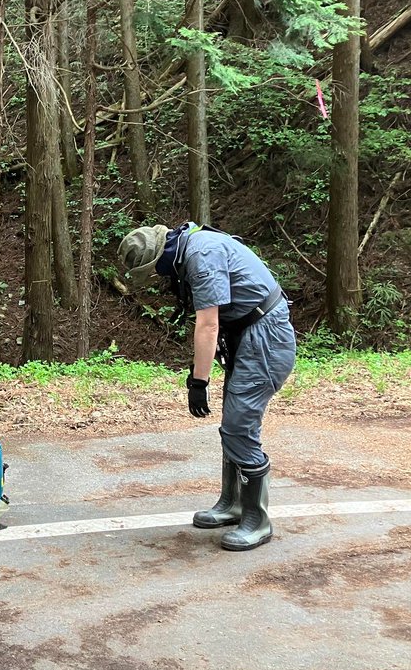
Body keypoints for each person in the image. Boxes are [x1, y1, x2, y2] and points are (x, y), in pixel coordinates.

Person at [119, 222, 296, 551]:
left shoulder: (201, 254)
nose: (157, 275)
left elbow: (208, 322)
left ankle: (257, 520)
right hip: (246, 334)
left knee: (238, 425)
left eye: (154, 269)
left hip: (266, 338)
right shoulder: (191, 250)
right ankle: (233, 504)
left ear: (159, 256)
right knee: (232, 425)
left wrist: (198, 381)